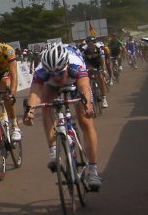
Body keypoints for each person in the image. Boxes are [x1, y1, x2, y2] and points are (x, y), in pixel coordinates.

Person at [23, 44, 102, 190]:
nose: (56, 77)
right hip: (51, 86)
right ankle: (54, 150)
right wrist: (31, 111)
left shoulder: (75, 65)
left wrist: (88, 106)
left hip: (74, 82)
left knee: (85, 120)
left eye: (59, 73)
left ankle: (93, 169)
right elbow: (35, 93)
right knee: (46, 105)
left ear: (66, 65)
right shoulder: (41, 70)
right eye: (52, 73)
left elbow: (84, 87)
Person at [80, 36, 109, 108]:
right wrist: (86, 70)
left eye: (92, 44)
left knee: (101, 78)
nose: (91, 46)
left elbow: (102, 60)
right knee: (87, 81)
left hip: (98, 63)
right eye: (89, 44)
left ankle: (104, 98)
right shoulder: (84, 51)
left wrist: (103, 70)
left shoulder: (99, 49)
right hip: (90, 65)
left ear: (95, 43)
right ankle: (90, 97)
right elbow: (83, 62)